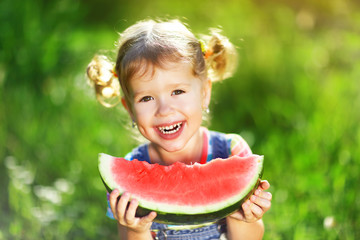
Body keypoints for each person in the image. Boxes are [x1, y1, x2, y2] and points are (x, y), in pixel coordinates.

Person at [87, 18, 272, 240]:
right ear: (129, 109)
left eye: (177, 92)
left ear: (204, 92)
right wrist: (136, 230)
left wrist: (244, 218)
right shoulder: (127, 179)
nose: (164, 110)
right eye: (146, 98)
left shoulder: (232, 151)